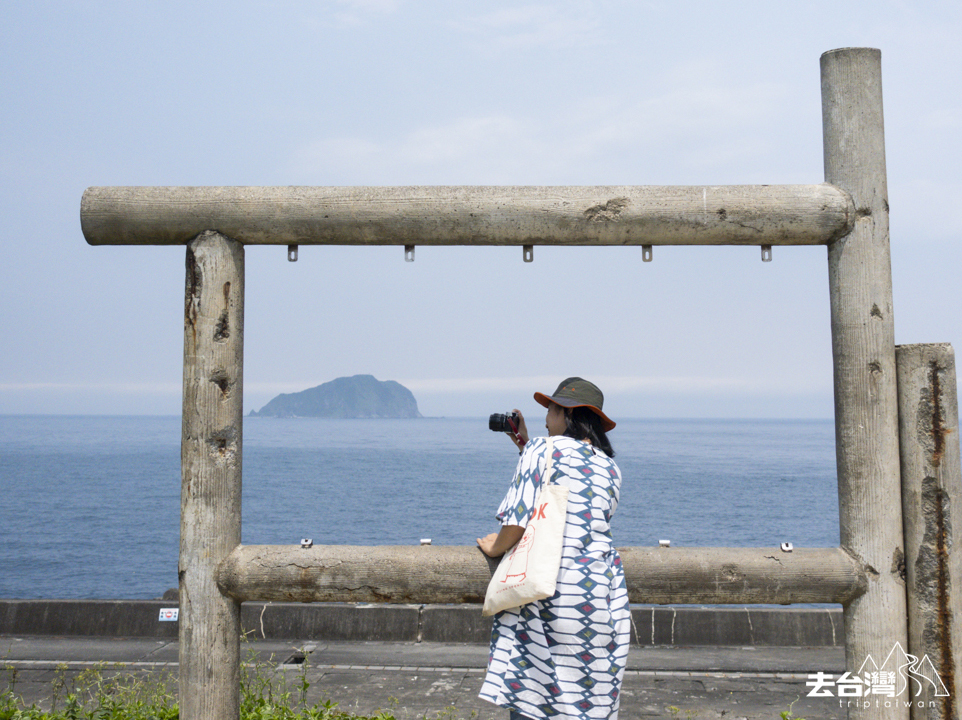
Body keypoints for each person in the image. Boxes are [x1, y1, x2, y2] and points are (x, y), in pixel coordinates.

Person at [476, 377, 630, 720]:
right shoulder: (610, 467)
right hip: (598, 600)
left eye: (551, 408)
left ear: (567, 413)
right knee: (582, 707)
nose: (546, 416)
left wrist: (494, 547)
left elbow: (517, 520)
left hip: (551, 600)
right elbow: (574, 503)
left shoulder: (540, 450)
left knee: (536, 703)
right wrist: (525, 445)